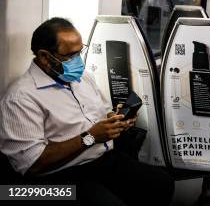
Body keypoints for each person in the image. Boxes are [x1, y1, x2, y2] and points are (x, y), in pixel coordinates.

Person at [0, 18, 174, 205]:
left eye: (79, 52)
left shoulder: (83, 78)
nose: (78, 61)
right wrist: (90, 137)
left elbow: (102, 113)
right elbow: (31, 164)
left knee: (160, 183)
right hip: (55, 179)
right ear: (44, 57)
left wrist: (115, 120)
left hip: (102, 160)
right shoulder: (21, 98)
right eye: (70, 56)